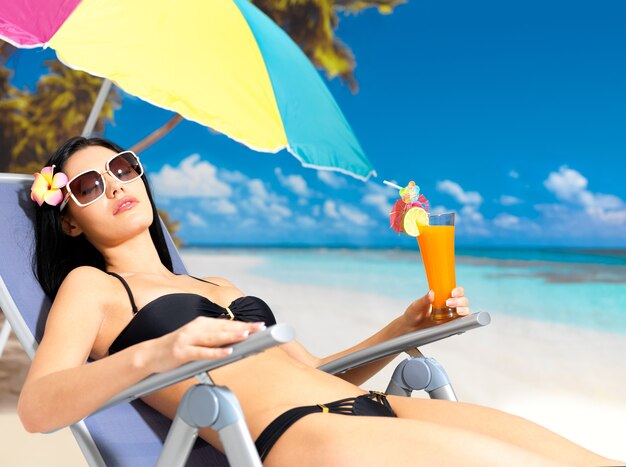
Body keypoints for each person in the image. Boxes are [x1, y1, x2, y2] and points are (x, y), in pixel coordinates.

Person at [18, 137, 619, 467]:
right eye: (89, 185)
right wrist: (156, 355)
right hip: (300, 437)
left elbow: (314, 372)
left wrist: (402, 326)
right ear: (69, 222)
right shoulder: (93, 289)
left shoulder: (221, 287)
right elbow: (39, 408)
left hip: (371, 405)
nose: (117, 184)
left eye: (123, 166)